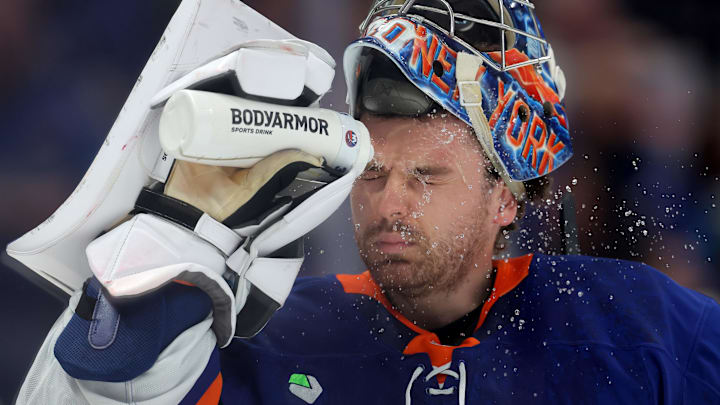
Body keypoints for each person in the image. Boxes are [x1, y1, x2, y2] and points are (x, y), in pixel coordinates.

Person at [15, 0, 720, 404]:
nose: (390, 204)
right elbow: (99, 381)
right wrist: (165, 249)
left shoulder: (638, 328)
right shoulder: (270, 336)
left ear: (506, 195)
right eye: (374, 174)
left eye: (428, 177)